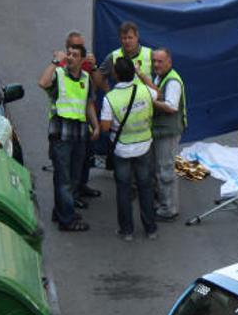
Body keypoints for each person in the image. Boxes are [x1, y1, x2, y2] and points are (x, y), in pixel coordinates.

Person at [38, 43, 100, 232]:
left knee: (71, 178)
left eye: (75, 55)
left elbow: (88, 104)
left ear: (82, 60)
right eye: (69, 54)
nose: (71, 57)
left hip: (79, 135)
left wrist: (95, 125)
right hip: (61, 136)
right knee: (64, 179)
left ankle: (61, 211)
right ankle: (68, 220)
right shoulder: (59, 74)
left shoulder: (86, 77)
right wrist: (55, 61)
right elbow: (43, 83)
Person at [100, 58, 158, 241]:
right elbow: (158, 93)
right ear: (133, 73)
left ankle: (127, 231)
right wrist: (142, 75)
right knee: (146, 187)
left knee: (124, 190)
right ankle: (151, 229)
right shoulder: (145, 91)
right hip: (144, 146)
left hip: (122, 150)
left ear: (116, 75)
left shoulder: (110, 99)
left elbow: (105, 127)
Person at [58, 30, 102, 201]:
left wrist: (94, 67)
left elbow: (98, 86)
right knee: (70, 164)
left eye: (81, 46)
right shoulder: (62, 67)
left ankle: (82, 186)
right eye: (74, 47)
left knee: (85, 157)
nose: (78, 51)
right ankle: (71, 197)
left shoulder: (86, 63)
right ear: (67, 48)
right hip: (68, 125)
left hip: (85, 121)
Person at [150, 48, 186, 221]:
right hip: (161, 130)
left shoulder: (173, 82)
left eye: (160, 61)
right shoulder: (160, 77)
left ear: (169, 62)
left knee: (166, 170)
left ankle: (169, 209)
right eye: (154, 61)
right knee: (160, 169)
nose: (156, 64)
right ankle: (163, 203)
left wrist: (151, 101)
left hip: (168, 132)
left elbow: (171, 107)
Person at [97, 21, 153, 93]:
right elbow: (99, 77)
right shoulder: (113, 56)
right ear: (120, 39)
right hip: (122, 102)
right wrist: (109, 93)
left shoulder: (149, 54)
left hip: (144, 101)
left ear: (137, 37)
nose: (127, 41)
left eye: (130, 38)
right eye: (124, 38)